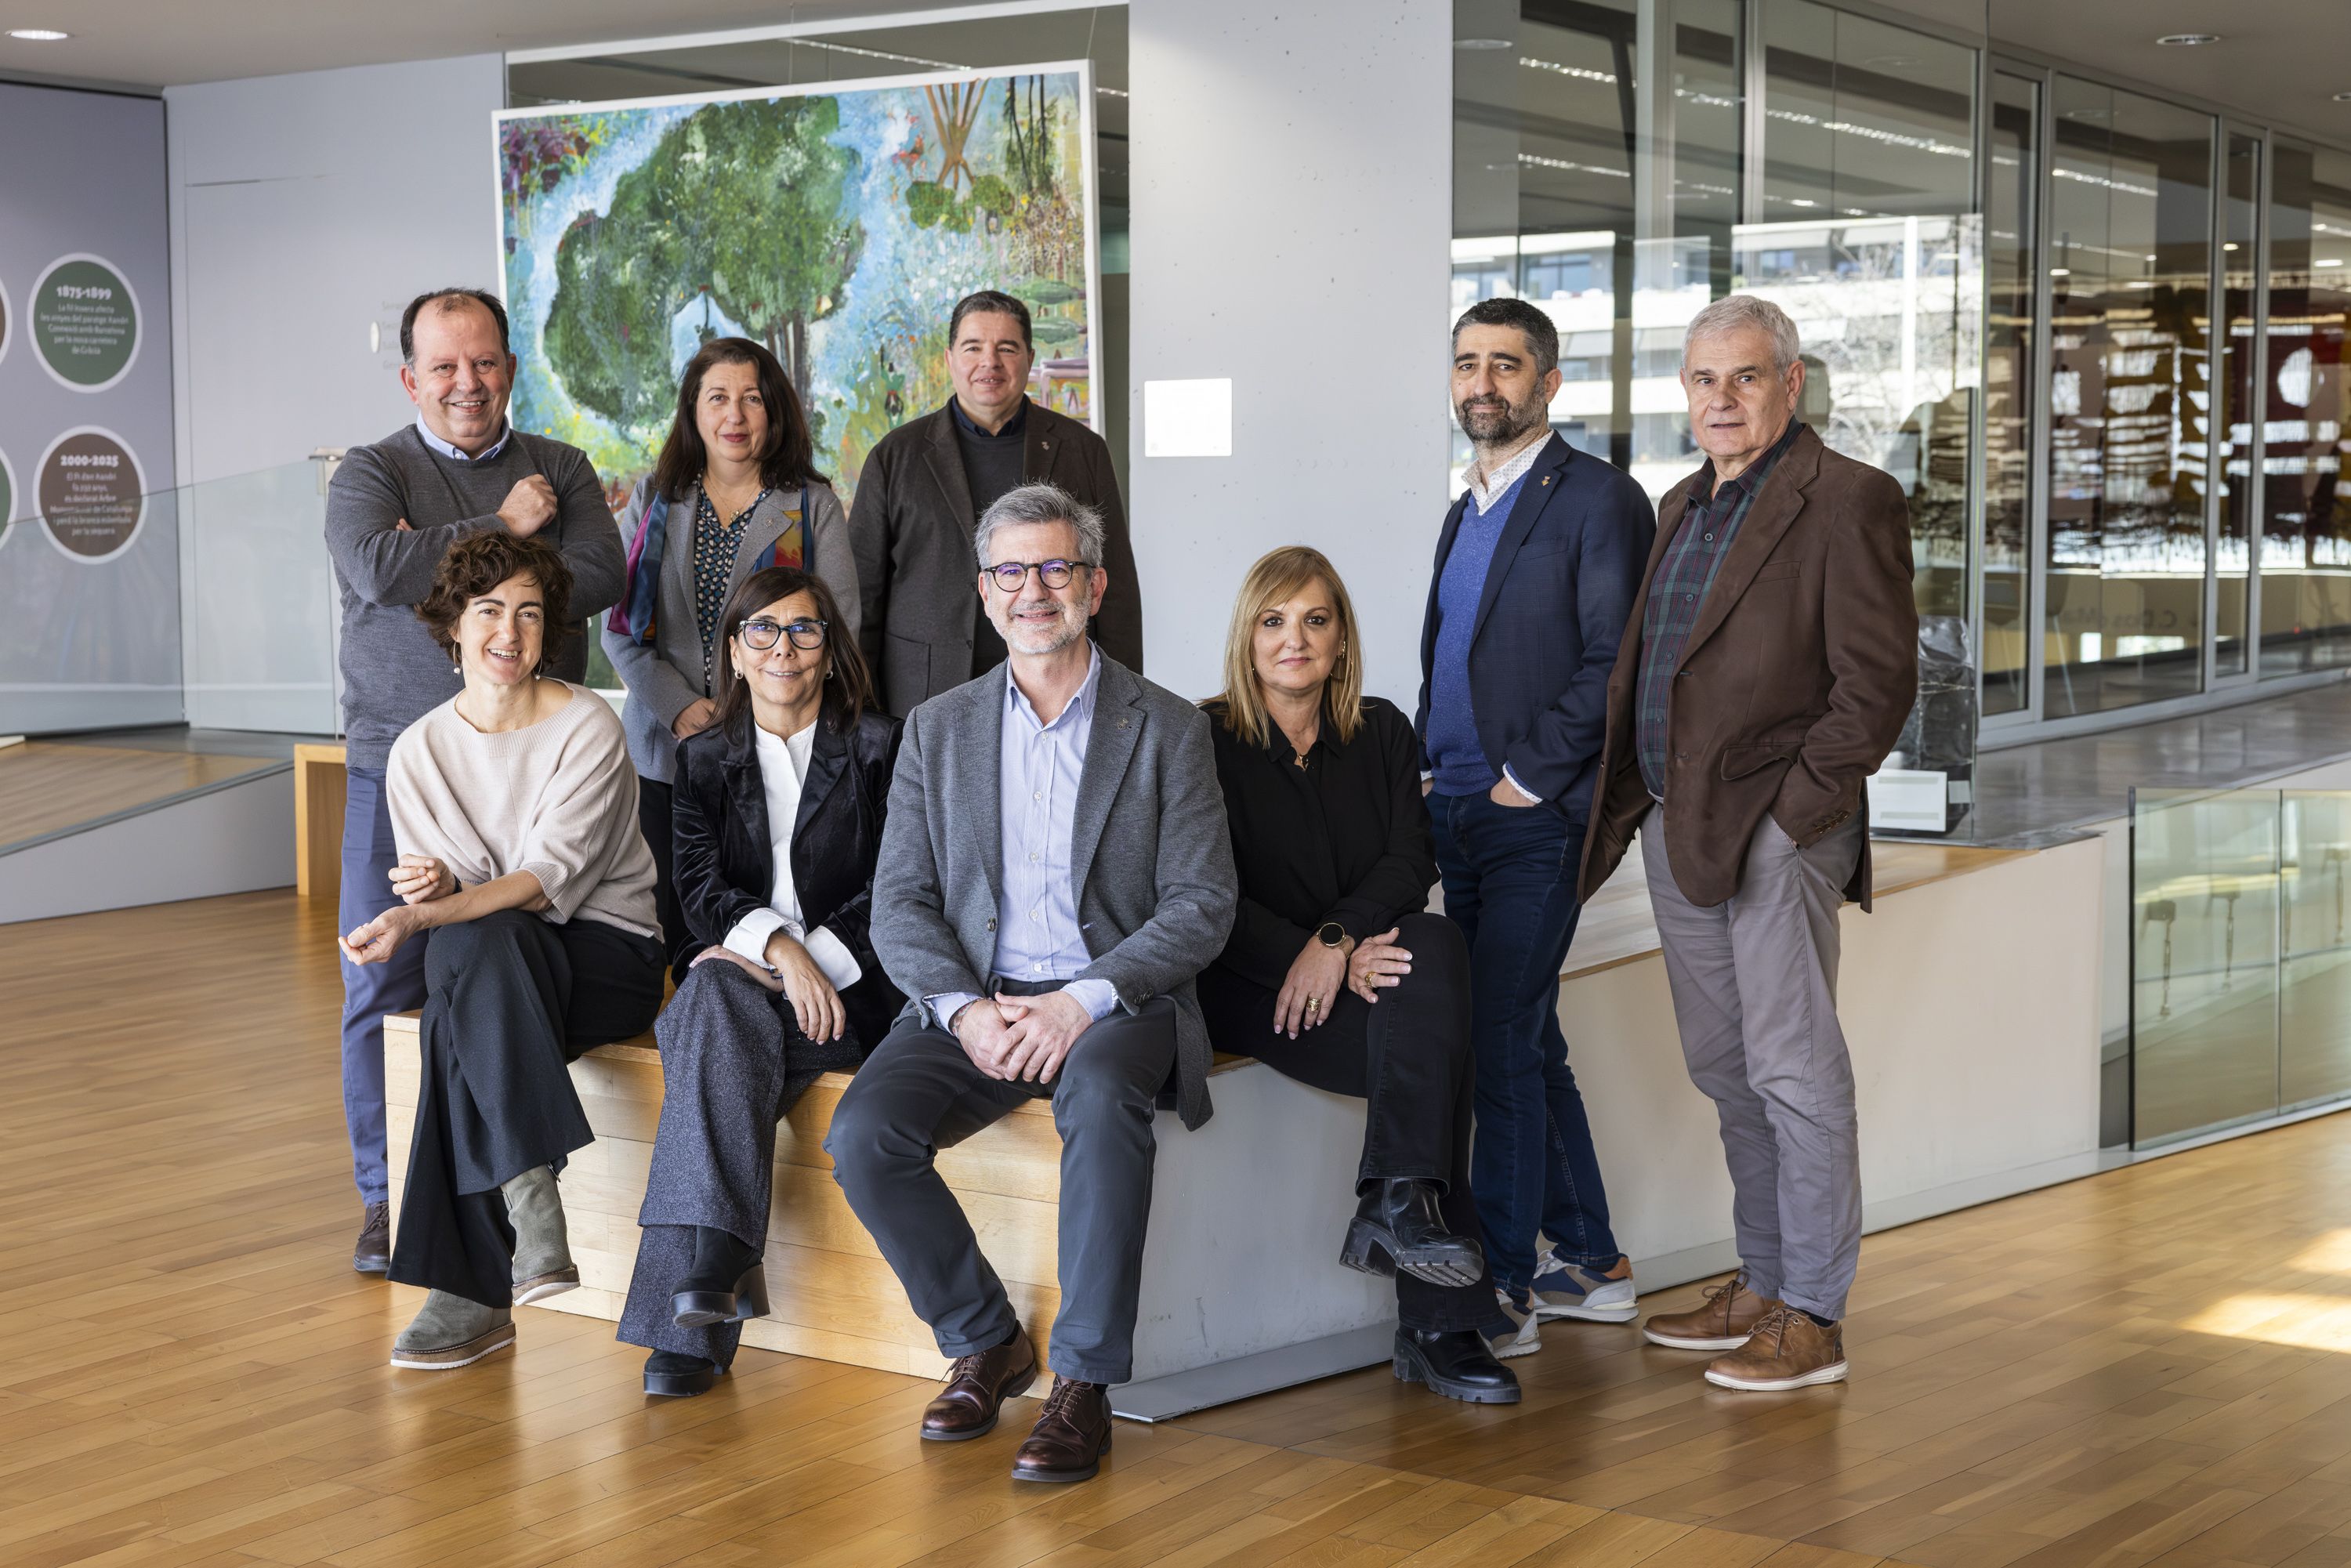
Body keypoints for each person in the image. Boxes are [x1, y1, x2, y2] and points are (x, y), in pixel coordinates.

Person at [825, 483, 1234, 1484]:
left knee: (1097, 1100)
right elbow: (902, 905)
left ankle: (1084, 1383)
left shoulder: (1167, 726)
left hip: (1114, 1001)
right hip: (979, 998)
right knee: (864, 1136)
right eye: (1012, 570)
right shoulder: (938, 728)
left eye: (1056, 568)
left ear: (1094, 586)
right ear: (983, 591)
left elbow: (1200, 904)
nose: (1034, 590)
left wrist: (1078, 1001)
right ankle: (985, 1337)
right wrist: (965, 1010)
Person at [1581, 295, 1916, 1392]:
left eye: (1745, 378)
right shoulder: (1681, 504)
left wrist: (1792, 815)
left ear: (1791, 382)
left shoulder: (1847, 500)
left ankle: (1814, 1314)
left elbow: (1877, 685)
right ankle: (1765, 1280)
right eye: (1702, 381)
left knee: (1794, 1069)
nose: (1721, 400)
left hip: (1777, 831)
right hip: (1681, 827)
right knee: (1727, 1069)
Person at [325, 287, 624, 1276]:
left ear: (510, 369)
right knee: (384, 981)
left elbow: (599, 574)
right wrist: (504, 523)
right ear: (412, 377)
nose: (468, 383)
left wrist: (450, 547)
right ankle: (384, 1201)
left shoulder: (564, 466)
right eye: (445, 367)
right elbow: (374, 567)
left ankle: (478, 1226)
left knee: (475, 962)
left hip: (534, 767)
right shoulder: (370, 470)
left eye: (485, 362)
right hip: (398, 767)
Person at [1196, 547, 1516, 1406]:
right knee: (1440, 1031)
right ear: (1248, 636)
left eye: (1315, 619)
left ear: (1340, 637)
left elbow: (1410, 862)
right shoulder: (1203, 738)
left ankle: (1403, 1201)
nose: (1293, 639)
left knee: (1437, 956)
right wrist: (1306, 953)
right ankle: (1437, 1319)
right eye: (1274, 621)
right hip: (1250, 986)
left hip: (1348, 969)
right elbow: (1205, 896)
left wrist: (1336, 942)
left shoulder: (1379, 731)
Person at [340, 533, 664, 1370]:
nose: (509, 633)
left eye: (528, 612)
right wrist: (434, 894)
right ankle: (530, 1210)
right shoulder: (418, 751)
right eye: (489, 611)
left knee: (461, 978)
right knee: (468, 972)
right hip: (494, 957)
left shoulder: (588, 724)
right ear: (454, 625)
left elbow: (543, 878)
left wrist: (423, 916)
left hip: (605, 952)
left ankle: (475, 1289)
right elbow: (467, 904)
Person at [1418, 297, 1657, 1358]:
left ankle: (1506, 1282)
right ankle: (1593, 1259)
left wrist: (1526, 777)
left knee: (1500, 1043)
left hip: (1534, 818)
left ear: (1549, 382)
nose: (1484, 383)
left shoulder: (1598, 499)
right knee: (1527, 1037)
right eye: (1469, 364)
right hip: (1456, 810)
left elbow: (1614, 661)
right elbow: (1447, 656)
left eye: (1505, 365)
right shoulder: (1464, 506)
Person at [616, 567, 901, 1398]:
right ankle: (723, 1259)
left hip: (856, 996)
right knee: (713, 995)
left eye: (805, 630)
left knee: (707, 1019)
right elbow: (699, 890)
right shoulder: (701, 759)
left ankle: (694, 1321)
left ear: (831, 649)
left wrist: (818, 966)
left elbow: (899, 888)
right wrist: (782, 953)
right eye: (763, 631)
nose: (785, 648)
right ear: (735, 654)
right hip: (747, 978)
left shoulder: (883, 747)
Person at [603, 338, 863, 984]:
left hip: (779, 750)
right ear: (694, 410)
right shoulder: (656, 501)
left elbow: (840, 628)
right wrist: (684, 709)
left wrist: (753, 717)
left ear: (774, 411)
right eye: (718, 397)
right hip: (667, 753)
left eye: (752, 398)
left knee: (760, 920)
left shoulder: (809, 506)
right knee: (673, 927)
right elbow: (620, 632)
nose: (735, 415)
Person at [849, 290, 1141, 716]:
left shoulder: (1082, 450)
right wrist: (861, 710)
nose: (990, 362)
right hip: (925, 691)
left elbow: (1115, 588)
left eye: (1007, 348)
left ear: (1029, 357)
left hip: (1059, 687)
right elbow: (863, 595)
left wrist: (1126, 704)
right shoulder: (895, 456)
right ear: (950, 359)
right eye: (973, 348)